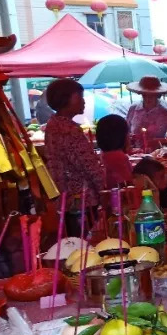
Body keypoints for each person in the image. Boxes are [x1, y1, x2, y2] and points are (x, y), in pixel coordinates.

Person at [43, 79, 106, 235]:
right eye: (79, 96)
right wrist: (105, 192)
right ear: (65, 99)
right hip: (82, 199)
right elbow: (89, 165)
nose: (83, 101)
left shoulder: (53, 124)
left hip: (66, 199)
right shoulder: (68, 130)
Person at [125, 76, 167, 143]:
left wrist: (159, 141)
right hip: (135, 151)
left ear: (157, 94)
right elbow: (126, 130)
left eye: (151, 95)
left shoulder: (165, 113)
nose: (147, 98)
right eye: (144, 95)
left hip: (157, 152)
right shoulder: (133, 109)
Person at [96, 114, 132, 188]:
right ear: (120, 136)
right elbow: (126, 184)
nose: (130, 136)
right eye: (127, 132)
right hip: (118, 197)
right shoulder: (117, 156)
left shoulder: (105, 154)